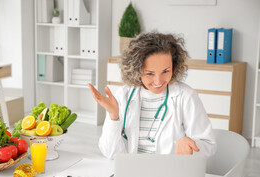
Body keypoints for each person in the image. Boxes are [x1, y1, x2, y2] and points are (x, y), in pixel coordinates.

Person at [88, 32, 216, 159]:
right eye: (150, 73)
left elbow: (209, 146)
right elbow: (110, 153)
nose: (158, 81)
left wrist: (190, 145)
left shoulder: (186, 96)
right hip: (132, 172)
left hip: (169, 173)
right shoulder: (123, 95)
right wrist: (113, 116)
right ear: (136, 70)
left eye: (166, 71)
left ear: (175, 66)